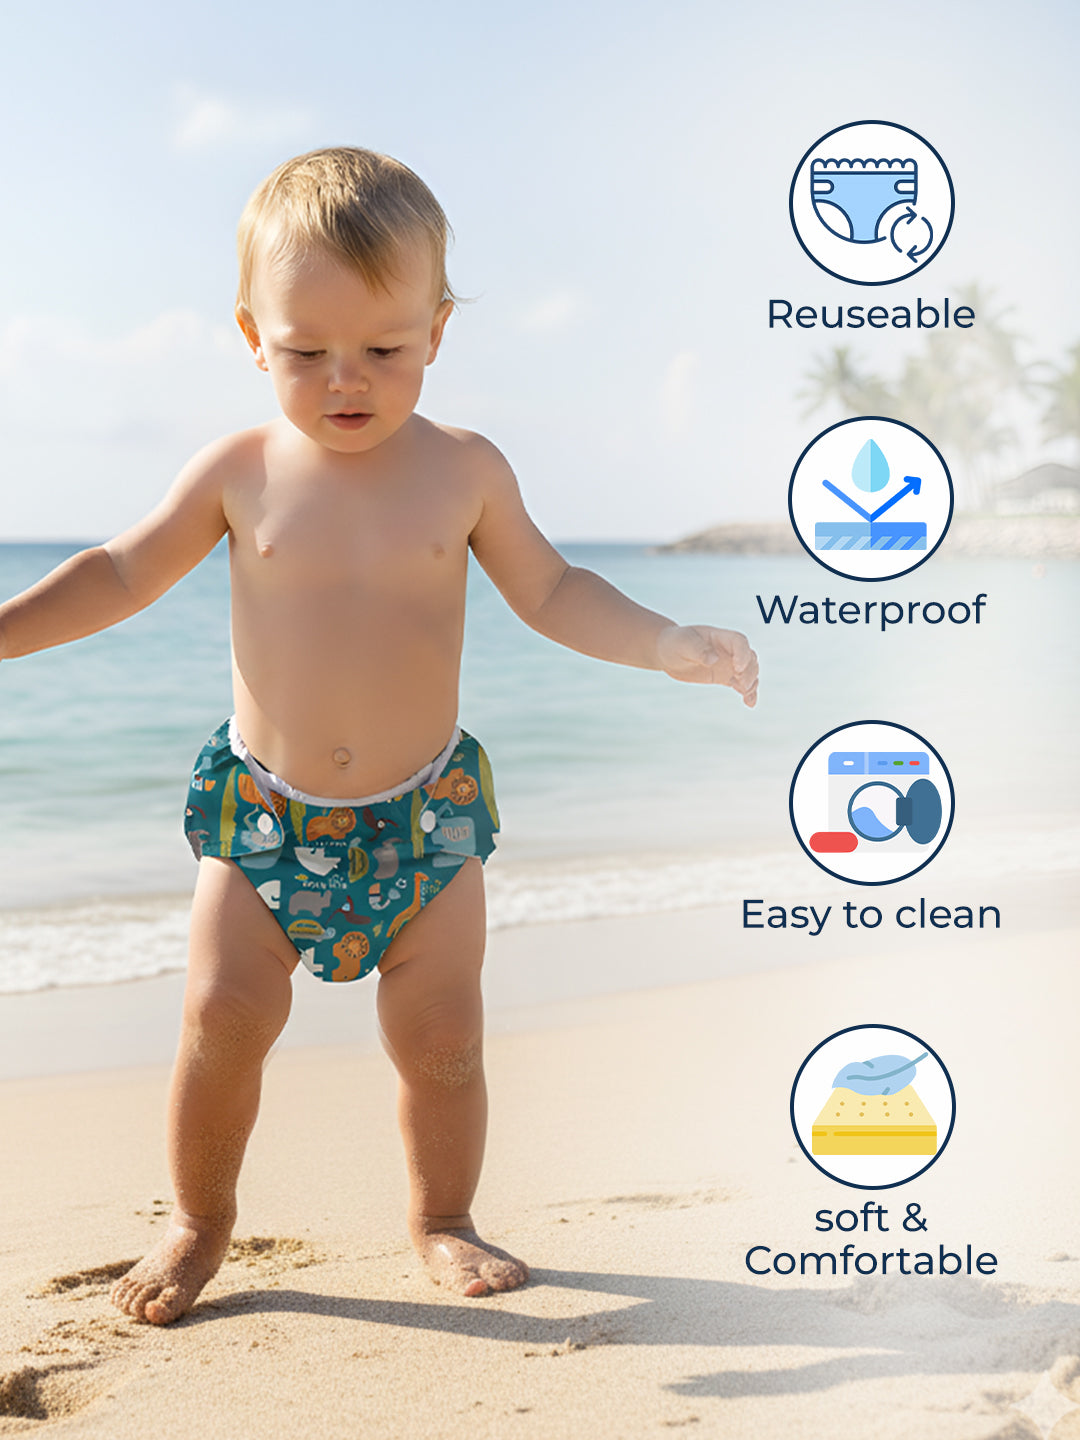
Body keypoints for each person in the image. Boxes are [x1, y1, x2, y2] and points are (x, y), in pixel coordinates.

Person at [0, 147, 758, 1324]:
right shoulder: (240, 472)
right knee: (220, 1019)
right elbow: (117, 575)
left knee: (444, 1037)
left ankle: (442, 1216)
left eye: (385, 350)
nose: (344, 379)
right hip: (264, 816)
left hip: (425, 816)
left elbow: (554, 593)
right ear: (252, 334)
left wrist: (666, 640)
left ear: (439, 330)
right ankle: (199, 1222)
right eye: (305, 352)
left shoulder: (462, 473)